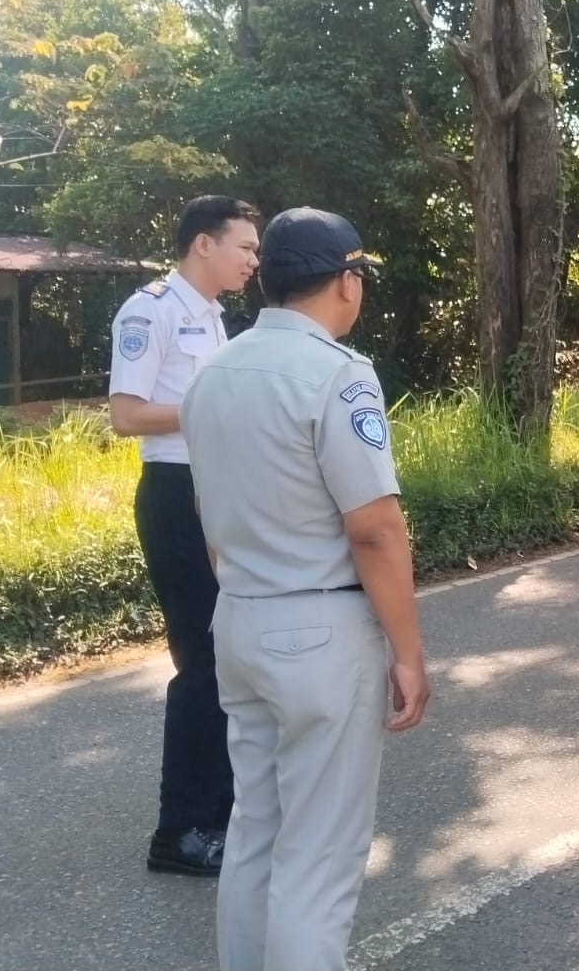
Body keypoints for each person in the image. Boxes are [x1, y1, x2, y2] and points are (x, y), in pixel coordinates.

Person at [179, 207, 431, 971]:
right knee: (319, 860)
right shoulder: (338, 374)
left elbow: (205, 511)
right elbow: (375, 530)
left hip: (241, 620)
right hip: (321, 633)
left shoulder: (212, 374)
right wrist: (409, 653)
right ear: (346, 281)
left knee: (257, 828)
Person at [108, 194, 261, 876]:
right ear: (204, 243)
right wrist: (215, 404)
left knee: (229, 656)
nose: (254, 260)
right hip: (175, 499)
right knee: (202, 661)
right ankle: (180, 832)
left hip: (217, 494)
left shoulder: (214, 318)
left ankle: (220, 815)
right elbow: (127, 415)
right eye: (245, 247)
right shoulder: (151, 311)